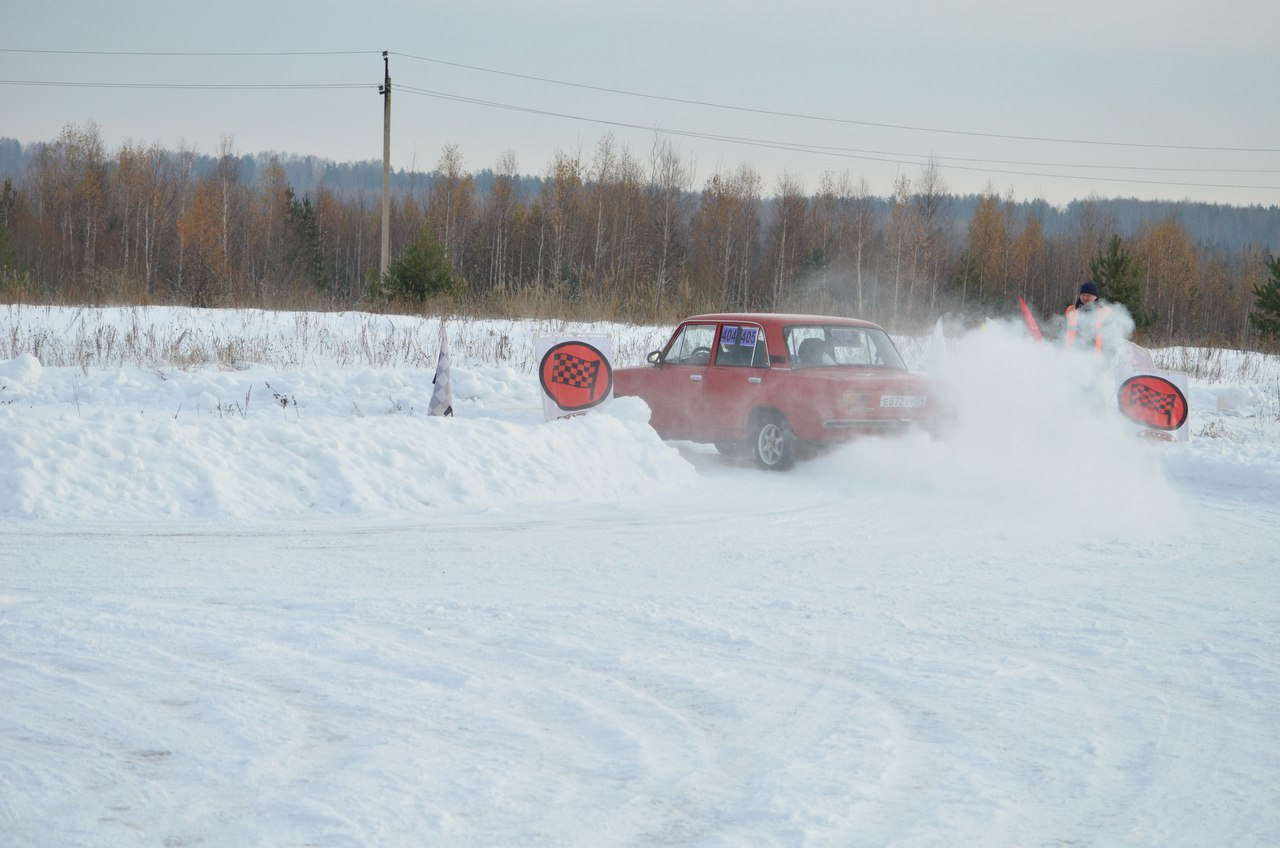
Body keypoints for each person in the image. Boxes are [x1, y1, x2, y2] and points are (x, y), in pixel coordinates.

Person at [1064, 280, 1113, 356]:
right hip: (1073, 355)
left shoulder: (1105, 312)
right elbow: (1063, 331)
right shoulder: (1071, 310)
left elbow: (1112, 335)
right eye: (1083, 295)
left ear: (1095, 296)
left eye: (1088, 295)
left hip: (1096, 357)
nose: (1085, 297)